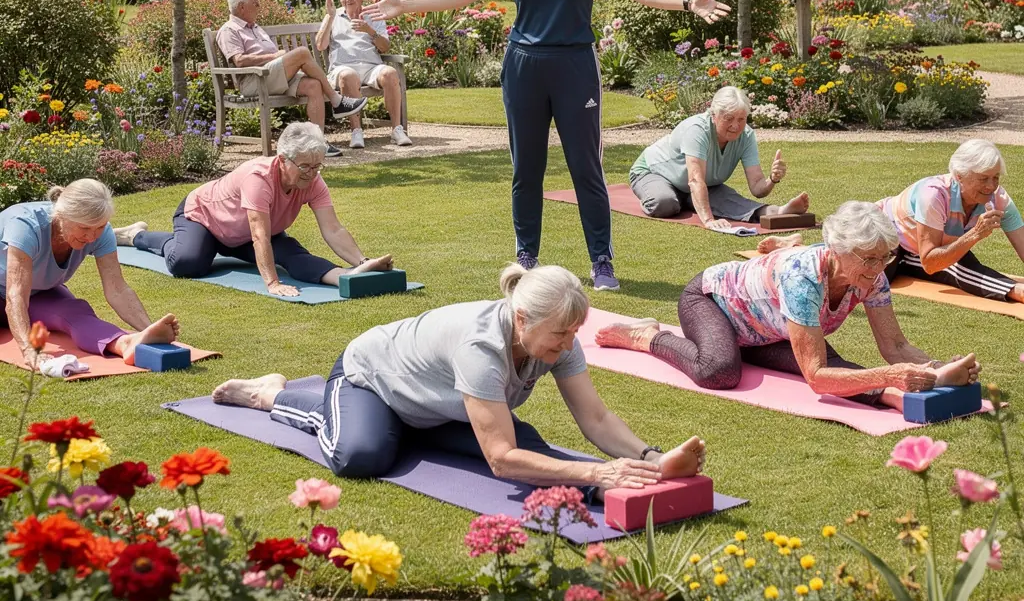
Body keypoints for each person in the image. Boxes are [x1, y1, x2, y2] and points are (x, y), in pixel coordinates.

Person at [364, 0, 730, 291]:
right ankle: (526, 257)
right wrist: (403, 5)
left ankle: (602, 261)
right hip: (524, 68)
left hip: (575, 67)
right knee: (527, 170)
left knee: (586, 168)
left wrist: (687, 1)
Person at [213, 262, 707, 490]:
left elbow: (596, 418)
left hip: (437, 404)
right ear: (521, 320)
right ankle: (275, 394)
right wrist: (596, 472)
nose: (566, 343)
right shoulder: (480, 347)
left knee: (533, 448)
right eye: (559, 333)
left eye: (573, 332)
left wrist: (650, 457)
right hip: (372, 379)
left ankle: (643, 472)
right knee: (363, 455)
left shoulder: (558, 340)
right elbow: (499, 460)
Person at [595, 201, 979, 409]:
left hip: (769, 329)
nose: (878, 269)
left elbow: (895, 347)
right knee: (719, 370)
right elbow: (816, 380)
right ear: (837, 251)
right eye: (869, 258)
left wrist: (935, 368)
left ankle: (896, 398)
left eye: (885, 258)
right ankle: (645, 336)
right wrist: (890, 375)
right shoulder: (804, 279)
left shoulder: (870, 276)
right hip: (711, 301)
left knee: (840, 367)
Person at [117, 123, 393, 298]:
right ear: (283, 160)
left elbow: (333, 229)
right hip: (204, 219)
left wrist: (361, 260)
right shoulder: (258, 178)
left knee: (292, 254)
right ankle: (136, 235)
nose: (312, 173)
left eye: (318, 165)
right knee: (187, 263)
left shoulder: (313, 180)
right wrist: (272, 283)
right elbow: (260, 235)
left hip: (244, 234)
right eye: (306, 166)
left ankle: (348, 276)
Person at [0, 180, 180, 371]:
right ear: (62, 216)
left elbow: (117, 289)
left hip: (37, 295)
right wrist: (29, 351)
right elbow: (15, 294)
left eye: (99, 227)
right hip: (13, 294)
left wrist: (148, 328)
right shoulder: (25, 226)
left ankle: (126, 343)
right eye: (84, 228)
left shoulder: (101, 234)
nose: (92, 237)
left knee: (75, 312)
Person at [217, 0, 368, 158]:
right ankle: (336, 100)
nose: (259, 6)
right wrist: (274, 56)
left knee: (314, 85)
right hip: (255, 80)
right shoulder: (229, 30)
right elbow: (239, 60)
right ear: (241, 7)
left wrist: (277, 57)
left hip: (272, 77)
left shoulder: (255, 27)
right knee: (303, 52)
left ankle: (318, 143)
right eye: (255, 3)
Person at [629, 86, 810, 228]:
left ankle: (779, 211)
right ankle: (679, 197)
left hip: (703, 184)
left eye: (741, 119)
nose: (735, 125)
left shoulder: (746, 136)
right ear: (714, 115)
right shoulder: (697, 130)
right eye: (729, 118)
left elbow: (757, 187)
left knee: (733, 202)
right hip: (653, 172)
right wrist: (708, 220)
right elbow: (695, 179)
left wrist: (772, 179)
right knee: (665, 204)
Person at [878, 139, 1024, 303]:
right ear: (959, 176)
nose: (991, 186)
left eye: (996, 177)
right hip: (883, 233)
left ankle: (1016, 291)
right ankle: (1017, 291)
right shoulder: (934, 195)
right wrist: (975, 233)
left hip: (918, 250)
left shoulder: (998, 197)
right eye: (983, 179)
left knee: (959, 260)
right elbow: (930, 263)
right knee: (873, 280)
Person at [315, 0, 412, 150]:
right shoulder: (333, 16)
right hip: (342, 68)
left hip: (371, 67)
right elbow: (321, 45)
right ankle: (356, 131)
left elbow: (384, 47)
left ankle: (397, 129)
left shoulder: (373, 15)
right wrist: (330, 17)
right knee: (348, 75)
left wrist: (369, 30)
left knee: (389, 73)